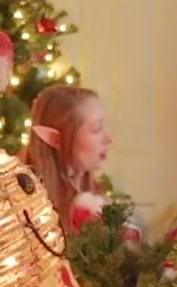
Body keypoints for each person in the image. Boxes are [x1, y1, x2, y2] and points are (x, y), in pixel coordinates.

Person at [19, 85, 141, 242]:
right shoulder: (26, 210)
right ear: (56, 140)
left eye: (104, 125)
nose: (109, 138)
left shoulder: (94, 196)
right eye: (97, 129)